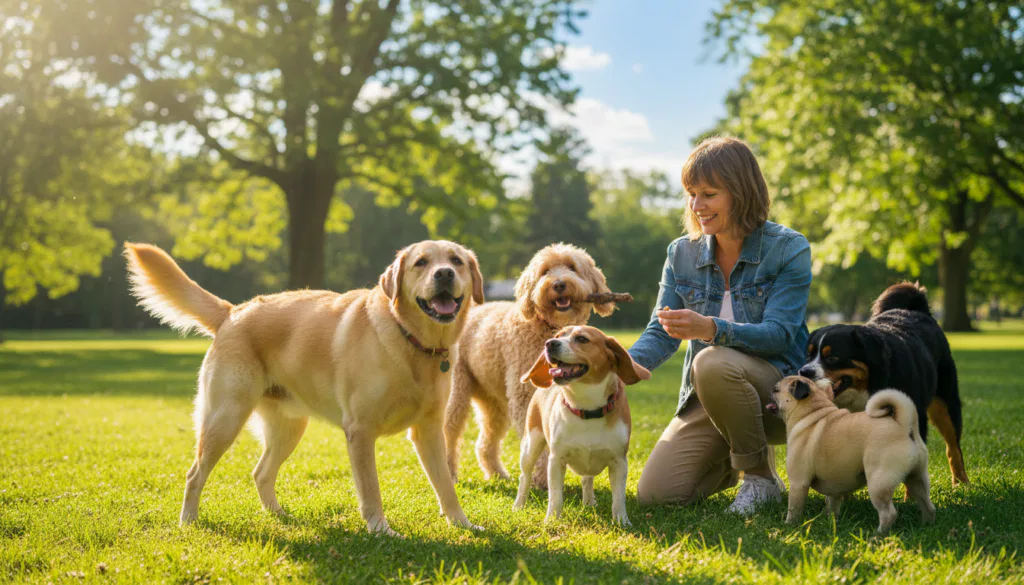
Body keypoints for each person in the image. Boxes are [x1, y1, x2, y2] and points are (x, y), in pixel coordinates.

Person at [627, 136, 812, 516]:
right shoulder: (681, 253)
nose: (697, 206)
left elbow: (780, 335)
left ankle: (759, 478)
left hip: (780, 393)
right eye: (691, 194)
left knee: (711, 360)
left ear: (741, 192)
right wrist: (619, 366)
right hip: (712, 397)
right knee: (656, 495)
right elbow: (661, 329)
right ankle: (734, 459)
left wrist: (711, 329)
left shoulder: (788, 248)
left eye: (709, 194)